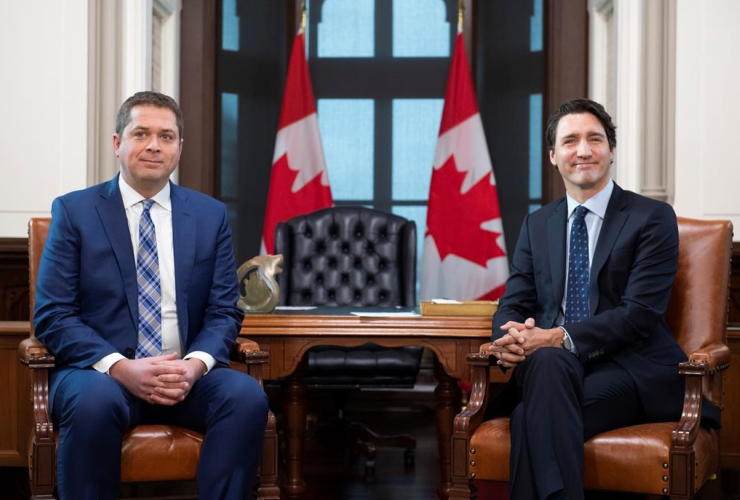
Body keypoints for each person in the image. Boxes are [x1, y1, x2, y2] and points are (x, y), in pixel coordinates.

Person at [34, 91, 268, 499]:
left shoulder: (209, 215)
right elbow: (54, 314)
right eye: (141, 133)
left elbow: (223, 311)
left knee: (246, 395)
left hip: (185, 378)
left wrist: (194, 367)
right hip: (100, 375)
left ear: (180, 148)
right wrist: (122, 368)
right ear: (117, 143)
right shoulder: (75, 211)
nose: (154, 145)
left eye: (166, 136)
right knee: (92, 403)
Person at [488, 98, 719, 500]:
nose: (583, 150)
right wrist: (508, 338)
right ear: (553, 156)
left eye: (595, 139)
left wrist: (556, 337)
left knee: (530, 414)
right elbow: (515, 299)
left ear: (611, 151)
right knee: (545, 363)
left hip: (627, 367)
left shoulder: (652, 217)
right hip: (550, 367)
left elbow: (639, 315)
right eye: (571, 141)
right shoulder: (537, 224)